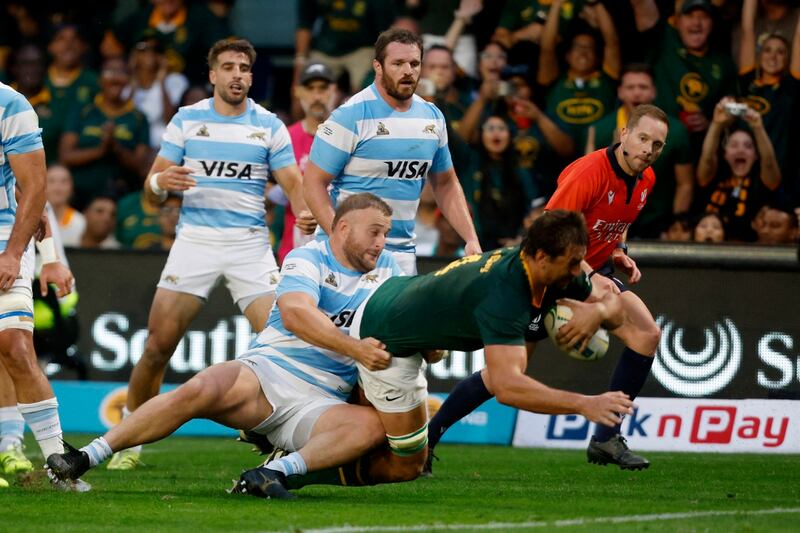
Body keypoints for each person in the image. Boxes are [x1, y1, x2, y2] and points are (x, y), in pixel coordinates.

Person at [229, 209, 632, 498]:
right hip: (386, 336)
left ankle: (288, 458)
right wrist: (585, 404)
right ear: (541, 257)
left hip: (399, 309)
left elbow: (616, 304)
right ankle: (282, 468)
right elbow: (507, 386)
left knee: (389, 442)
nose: (579, 272)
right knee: (405, 463)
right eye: (573, 263)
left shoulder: (547, 268)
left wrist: (597, 313)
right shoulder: (505, 295)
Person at [45, 194, 402, 495]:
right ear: (343, 228)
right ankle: (85, 457)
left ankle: (273, 473)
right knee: (200, 387)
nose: (381, 242)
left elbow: (407, 322)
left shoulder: (391, 269)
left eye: (385, 234)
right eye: (374, 232)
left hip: (324, 399)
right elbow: (296, 315)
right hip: (267, 375)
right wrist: (356, 349)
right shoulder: (307, 257)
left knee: (371, 428)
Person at [106, 38, 315, 471]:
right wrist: (162, 184)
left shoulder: (268, 125)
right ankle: (128, 441)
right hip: (195, 243)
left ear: (251, 77)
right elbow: (150, 190)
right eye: (229, 67)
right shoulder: (187, 120)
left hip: (249, 245)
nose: (238, 74)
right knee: (157, 347)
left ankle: (285, 436)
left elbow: (294, 184)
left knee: (285, 344)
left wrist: (307, 213)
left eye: (245, 68)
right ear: (213, 75)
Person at [426, 104, 670, 474]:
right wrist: (588, 276)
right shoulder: (589, 172)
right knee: (502, 378)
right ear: (624, 134)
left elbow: (615, 223)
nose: (648, 150)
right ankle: (428, 439)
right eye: (643, 138)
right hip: (544, 274)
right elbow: (549, 232)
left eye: (657, 144)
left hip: (588, 274)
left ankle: (606, 438)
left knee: (647, 335)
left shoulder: (647, 178)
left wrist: (618, 251)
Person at [304, 28, 481, 277]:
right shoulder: (350, 115)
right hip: (347, 253)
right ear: (378, 66)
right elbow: (313, 182)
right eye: (398, 63)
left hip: (401, 255)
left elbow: (445, 183)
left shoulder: (432, 117)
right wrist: (338, 238)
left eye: (414, 64)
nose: (408, 71)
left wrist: (470, 238)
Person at [0, 81, 87, 490]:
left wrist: (40, 255)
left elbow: (32, 189)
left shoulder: (11, 105)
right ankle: (8, 444)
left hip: (4, 238)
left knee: (16, 346)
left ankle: (59, 465)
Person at [586, 63, 694, 239]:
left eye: (643, 87)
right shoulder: (599, 130)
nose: (637, 93)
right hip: (608, 223)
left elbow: (685, 183)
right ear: (620, 92)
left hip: (658, 222)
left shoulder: (675, 130)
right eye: (630, 87)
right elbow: (590, 184)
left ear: (654, 92)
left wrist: (677, 223)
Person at [630, 0, 737, 158]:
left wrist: (710, 122)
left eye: (703, 17)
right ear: (678, 22)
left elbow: (734, 109)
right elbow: (641, 4)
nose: (696, 22)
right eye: (690, 16)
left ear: (712, 23)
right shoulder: (665, 40)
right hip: (655, 146)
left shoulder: (724, 63)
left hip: (703, 151)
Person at [59, 57, 151, 209]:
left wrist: (115, 147)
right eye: (109, 72)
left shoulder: (139, 118)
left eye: (121, 72)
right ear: (99, 79)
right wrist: (100, 150)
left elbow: (141, 166)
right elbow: (66, 155)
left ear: (129, 79)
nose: (115, 78)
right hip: (81, 196)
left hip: (124, 196)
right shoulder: (83, 111)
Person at [739, 0, 800, 202]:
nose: (773, 56)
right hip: (743, 171)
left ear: (788, 59)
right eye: (767, 50)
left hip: (780, 175)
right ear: (759, 56)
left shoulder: (791, 88)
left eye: (781, 52)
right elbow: (747, 29)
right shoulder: (748, 82)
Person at [697, 98, 781, 242]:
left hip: (750, 249)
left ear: (756, 155)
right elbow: (707, 158)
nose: (740, 150)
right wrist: (717, 124)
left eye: (748, 146)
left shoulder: (762, 180)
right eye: (734, 145)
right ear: (725, 153)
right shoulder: (716, 175)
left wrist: (758, 127)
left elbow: (768, 162)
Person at [278, 62, 338, 264]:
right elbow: (266, 186)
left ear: (334, 90)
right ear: (297, 91)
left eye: (323, 88)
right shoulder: (285, 138)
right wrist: (281, 191)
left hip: (339, 244)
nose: (317, 96)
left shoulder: (347, 137)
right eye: (310, 88)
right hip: (296, 246)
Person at [538, 0, 621, 146]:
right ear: (567, 55)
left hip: (600, 152)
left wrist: (596, 3)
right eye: (577, 47)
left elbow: (612, 42)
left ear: (597, 58)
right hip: (560, 153)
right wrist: (557, 4)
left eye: (589, 47)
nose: (583, 52)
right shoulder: (554, 81)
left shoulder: (607, 79)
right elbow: (547, 48)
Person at [129, 32, 190, 148]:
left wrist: (162, 82)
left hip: (162, 143)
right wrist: (133, 76)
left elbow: (169, 119)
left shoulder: (176, 80)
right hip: (134, 142)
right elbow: (125, 116)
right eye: (143, 49)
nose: (150, 53)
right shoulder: (127, 83)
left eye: (156, 49)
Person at [46, 165, 85, 248]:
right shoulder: (33, 220)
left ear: (72, 188)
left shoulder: (80, 222)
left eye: (64, 182)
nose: (57, 187)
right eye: (51, 181)